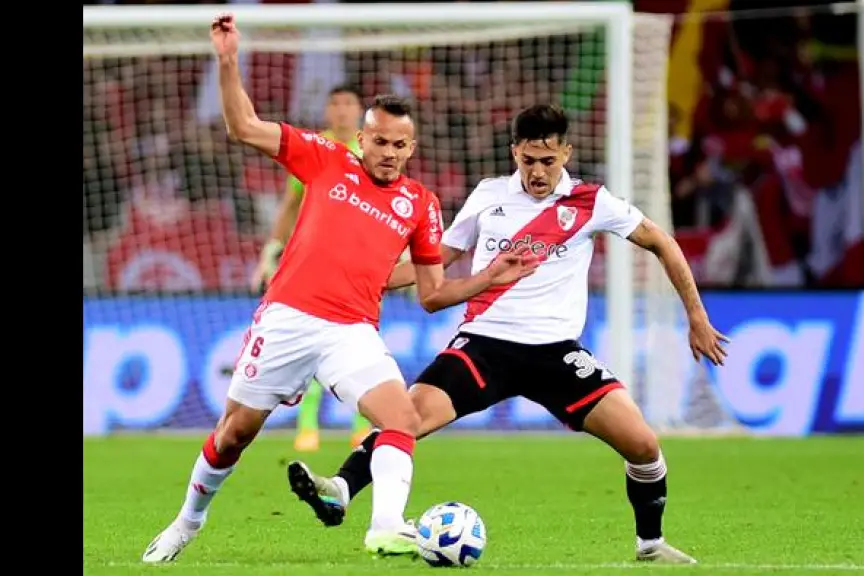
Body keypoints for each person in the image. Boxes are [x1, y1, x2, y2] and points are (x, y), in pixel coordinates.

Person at [142, 14, 539, 563]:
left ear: (412, 145)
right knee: (233, 434)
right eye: (380, 141)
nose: (390, 152)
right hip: (287, 317)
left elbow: (430, 293)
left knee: (400, 418)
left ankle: (386, 527)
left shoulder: (420, 204)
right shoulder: (325, 159)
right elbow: (245, 127)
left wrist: (488, 278)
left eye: (400, 144)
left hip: (351, 330)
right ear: (361, 138)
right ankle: (187, 522)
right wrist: (229, 60)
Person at [286, 104, 729, 565]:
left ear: (566, 153)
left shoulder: (593, 202)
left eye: (549, 160)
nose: (538, 171)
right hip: (484, 345)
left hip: (555, 354)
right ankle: (338, 490)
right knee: (406, 417)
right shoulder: (488, 195)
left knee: (643, 444)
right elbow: (441, 257)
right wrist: (368, 279)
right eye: (528, 160)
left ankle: (650, 545)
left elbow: (662, 241)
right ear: (513, 151)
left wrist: (696, 317)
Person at [250, 84, 375, 453]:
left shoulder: (374, 150)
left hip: (360, 266)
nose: (341, 111)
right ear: (326, 110)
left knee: (363, 346)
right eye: (335, 103)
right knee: (315, 344)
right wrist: (272, 250)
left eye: (348, 103)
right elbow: (291, 204)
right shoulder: (314, 148)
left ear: (360, 111)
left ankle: (361, 427)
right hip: (316, 265)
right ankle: (307, 427)